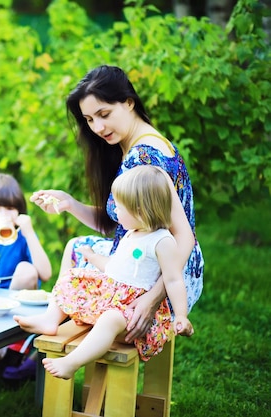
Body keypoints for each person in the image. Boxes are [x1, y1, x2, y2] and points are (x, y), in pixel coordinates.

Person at [31, 65, 203, 343]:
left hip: (165, 275)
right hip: (150, 261)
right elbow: (121, 222)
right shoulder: (134, 145)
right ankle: (54, 331)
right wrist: (71, 203)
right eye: (89, 119)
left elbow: (184, 237)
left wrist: (151, 299)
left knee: (77, 253)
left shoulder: (145, 157)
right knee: (78, 247)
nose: (98, 128)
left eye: (104, 114)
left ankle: (56, 338)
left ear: (129, 102)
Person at [15, 165, 194, 379]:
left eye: (119, 208)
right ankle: (50, 319)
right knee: (72, 279)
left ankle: (72, 363)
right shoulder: (132, 233)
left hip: (133, 310)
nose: (115, 212)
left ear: (139, 210)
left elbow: (173, 280)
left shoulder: (162, 241)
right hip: (112, 295)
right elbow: (114, 267)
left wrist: (181, 315)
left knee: (110, 319)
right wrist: (91, 257)